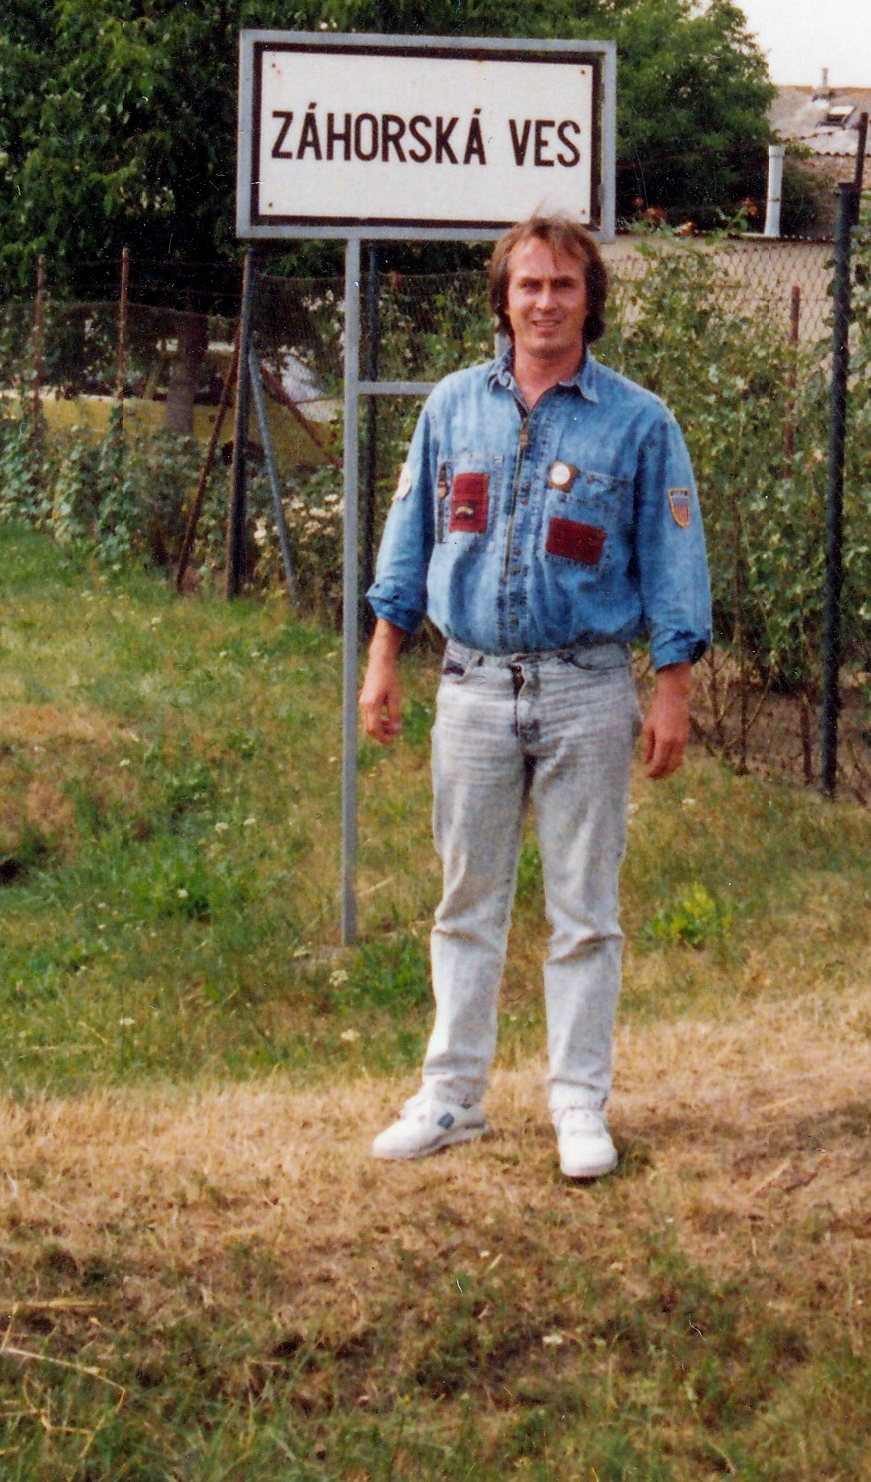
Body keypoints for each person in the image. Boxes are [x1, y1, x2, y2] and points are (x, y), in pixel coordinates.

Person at [357, 213, 709, 1180]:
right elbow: (408, 540)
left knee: (584, 909)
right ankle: (452, 1096)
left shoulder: (640, 423)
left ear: (590, 301)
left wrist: (671, 687)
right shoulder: (451, 408)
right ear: (503, 300)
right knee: (465, 901)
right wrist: (384, 656)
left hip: (587, 690)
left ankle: (577, 1104)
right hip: (471, 687)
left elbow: (674, 560)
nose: (545, 302)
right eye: (528, 286)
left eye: (563, 285)